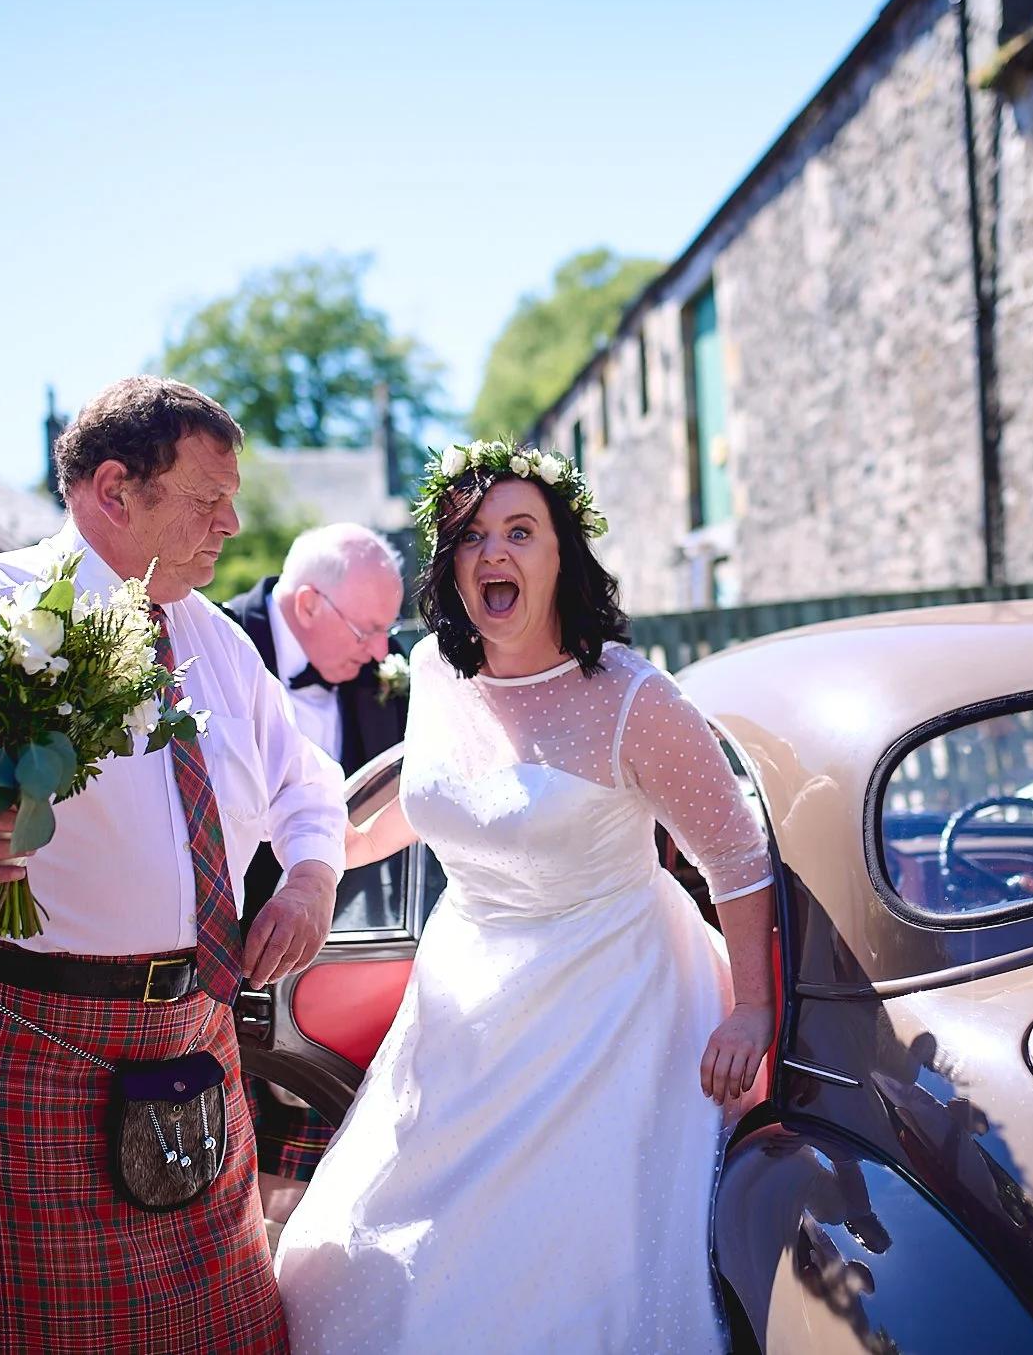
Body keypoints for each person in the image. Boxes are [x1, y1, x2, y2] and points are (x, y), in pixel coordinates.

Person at [0, 376, 346, 1355]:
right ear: (113, 490)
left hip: (195, 1047)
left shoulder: (219, 645)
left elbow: (308, 786)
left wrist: (309, 878)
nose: (230, 522)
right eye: (205, 497)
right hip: (23, 1051)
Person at [271, 443, 776, 1354]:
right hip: (463, 999)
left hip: (612, 1004)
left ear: (559, 554)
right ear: (451, 565)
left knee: (553, 1263)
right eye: (472, 537)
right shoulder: (432, 670)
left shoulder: (634, 699)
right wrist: (318, 851)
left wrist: (751, 1012)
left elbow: (739, 860)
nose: (494, 552)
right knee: (378, 1240)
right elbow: (428, 805)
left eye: (520, 531)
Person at [222, 524, 410, 1204]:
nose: (382, 651)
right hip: (233, 965)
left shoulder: (383, 673)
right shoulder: (213, 647)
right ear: (307, 605)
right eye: (366, 629)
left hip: (353, 959)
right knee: (231, 1178)